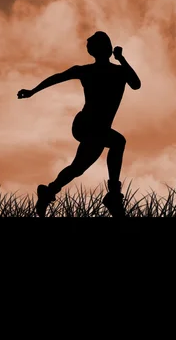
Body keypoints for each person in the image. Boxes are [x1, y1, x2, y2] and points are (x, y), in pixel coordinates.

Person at [17, 31, 141, 217]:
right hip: (86, 124)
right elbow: (56, 78)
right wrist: (32, 91)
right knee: (118, 142)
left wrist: (122, 59)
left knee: (78, 168)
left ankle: (48, 192)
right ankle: (114, 195)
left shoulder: (119, 71)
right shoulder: (86, 71)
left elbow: (136, 84)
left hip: (99, 130)